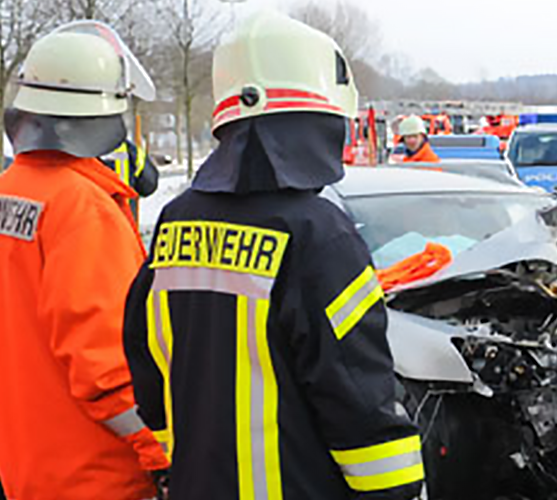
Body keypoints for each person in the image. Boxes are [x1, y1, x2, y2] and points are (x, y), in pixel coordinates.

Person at [122, 11, 424, 500]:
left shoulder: (175, 222)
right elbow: (357, 400)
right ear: (321, 115)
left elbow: (144, 351)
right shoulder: (320, 234)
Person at [0, 20, 168, 500]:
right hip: (99, 478)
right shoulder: (82, 208)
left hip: (29, 473)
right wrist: (161, 457)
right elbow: (108, 366)